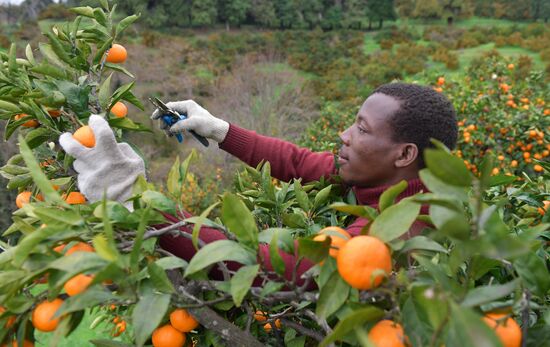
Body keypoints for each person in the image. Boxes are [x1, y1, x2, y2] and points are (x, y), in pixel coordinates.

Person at [59, 82, 458, 287]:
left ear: (404, 155)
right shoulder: (384, 175)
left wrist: (139, 201)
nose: (344, 135)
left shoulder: (400, 227)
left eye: (361, 129)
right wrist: (219, 129)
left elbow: (272, 267)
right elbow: (298, 163)